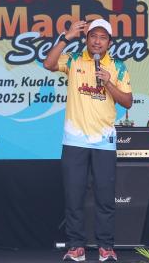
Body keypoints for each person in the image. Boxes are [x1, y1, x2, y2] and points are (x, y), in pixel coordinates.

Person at [44, 18, 132, 262]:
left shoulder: (118, 66)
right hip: (75, 141)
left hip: (104, 142)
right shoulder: (74, 60)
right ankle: (76, 247)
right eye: (93, 36)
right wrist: (66, 37)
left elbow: (127, 102)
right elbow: (48, 64)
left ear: (109, 42)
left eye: (103, 37)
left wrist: (108, 82)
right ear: (86, 39)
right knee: (74, 197)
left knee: (105, 198)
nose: (97, 41)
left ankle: (106, 247)